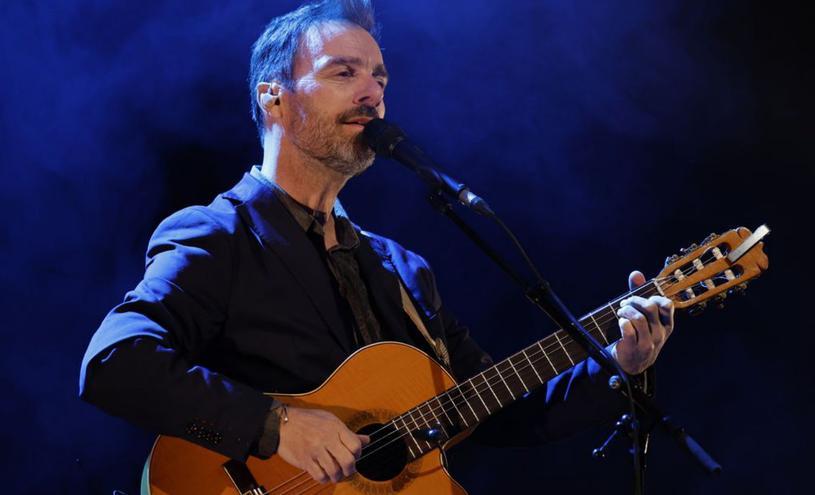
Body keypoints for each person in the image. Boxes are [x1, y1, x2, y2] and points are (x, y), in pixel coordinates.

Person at [80, 0, 674, 486]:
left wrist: (619, 364)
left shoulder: (404, 271)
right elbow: (114, 363)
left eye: (379, 77)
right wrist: (277, 425)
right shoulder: (219, 233)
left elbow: (498, 410)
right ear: (274, 97)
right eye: (344, 72)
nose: (373, 93)